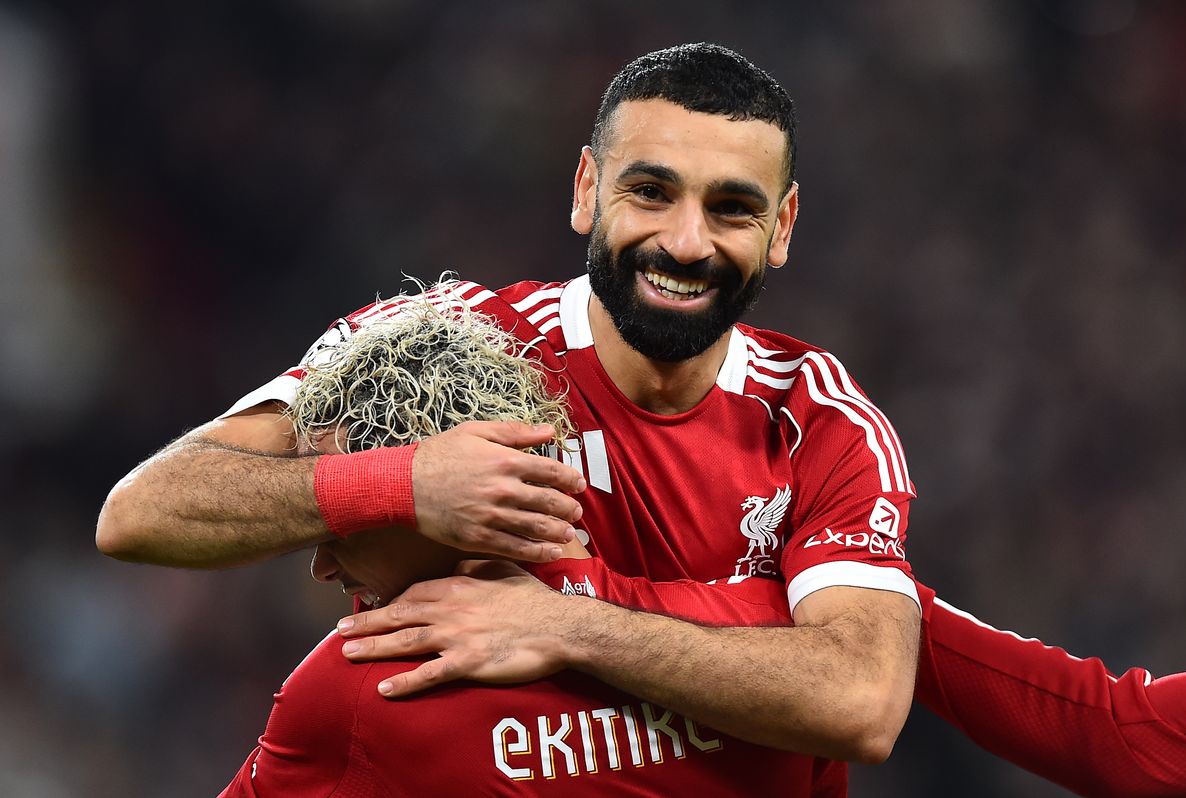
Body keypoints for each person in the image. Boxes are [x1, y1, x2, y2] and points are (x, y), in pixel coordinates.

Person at [98, 42, 922, 777]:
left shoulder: (820, 420)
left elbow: (863, 703)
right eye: (649, 192)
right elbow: (142, 514)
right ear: (587, 189)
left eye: (732, 209)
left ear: (782, 227)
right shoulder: (451, 341)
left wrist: (566, 624)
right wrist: (407, 482)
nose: (685, 242)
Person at [220, 296, 847, 795]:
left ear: (446, 510)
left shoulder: (360, 684)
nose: (322, 564)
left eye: (346, 524)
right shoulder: (775, 651)